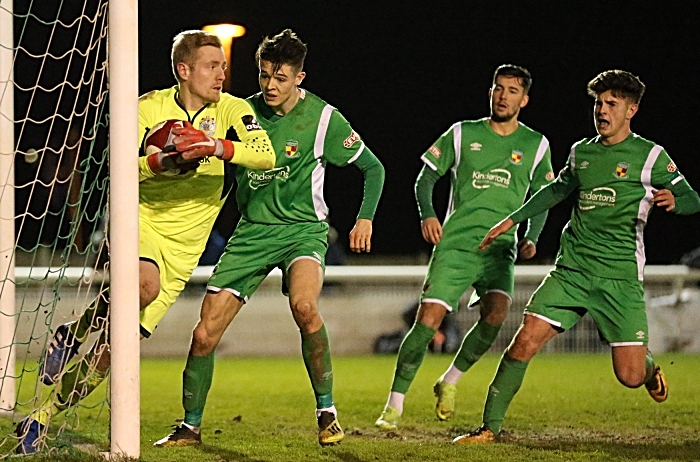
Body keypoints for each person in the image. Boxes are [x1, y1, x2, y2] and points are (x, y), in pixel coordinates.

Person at [14, 30, 275, 454]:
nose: (221, 74)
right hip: (142, 221)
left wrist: (214, 145)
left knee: (113, 351)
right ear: (183, 70)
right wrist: (161, 160)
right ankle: (60, 362)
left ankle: (44, 408)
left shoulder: (232, 109)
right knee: (140, 286)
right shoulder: (147, 108)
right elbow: (121, 167)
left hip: (185, 246)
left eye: (223, 66)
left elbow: (265, 154)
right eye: (211, 66)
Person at [154, 29, 385, 448]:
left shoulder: (324, 119)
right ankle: (190, 427)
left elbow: (374, 168)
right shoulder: (240, 112)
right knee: (204, 334)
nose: (271, 86)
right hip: (252, 233)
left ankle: (327, 411)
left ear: (299, 77)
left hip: (302, 232)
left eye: (280, 78)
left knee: (305, 306)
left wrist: (364, 219)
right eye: (264, 76)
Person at [454, 70, 700, 444]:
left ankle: (649, 371)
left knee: (630, 376)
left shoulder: (650, 156)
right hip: (571, 271)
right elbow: (555, 191)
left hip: (619, 278)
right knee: (524, 340)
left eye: (611, 104)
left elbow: (693, 199)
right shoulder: (581, 152)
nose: (601, 110)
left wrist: (674, 201)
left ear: (631, 110)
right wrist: (511, 220)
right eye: (598, 103)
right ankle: (490, 428)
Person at [375, 65, 554, 430]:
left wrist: (532, 236)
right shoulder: (462, 133)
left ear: (525, 99)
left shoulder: (537, 145)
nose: (503, 96)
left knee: (496, 316)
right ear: (491, 91)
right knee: (427, 321)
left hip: (501, 248)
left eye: (512, 91)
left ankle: (450, 381)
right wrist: (427, 214)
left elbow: (544, 197)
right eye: (498, 88)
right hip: (456, 245)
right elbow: (425, 178)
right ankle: (393, 405)